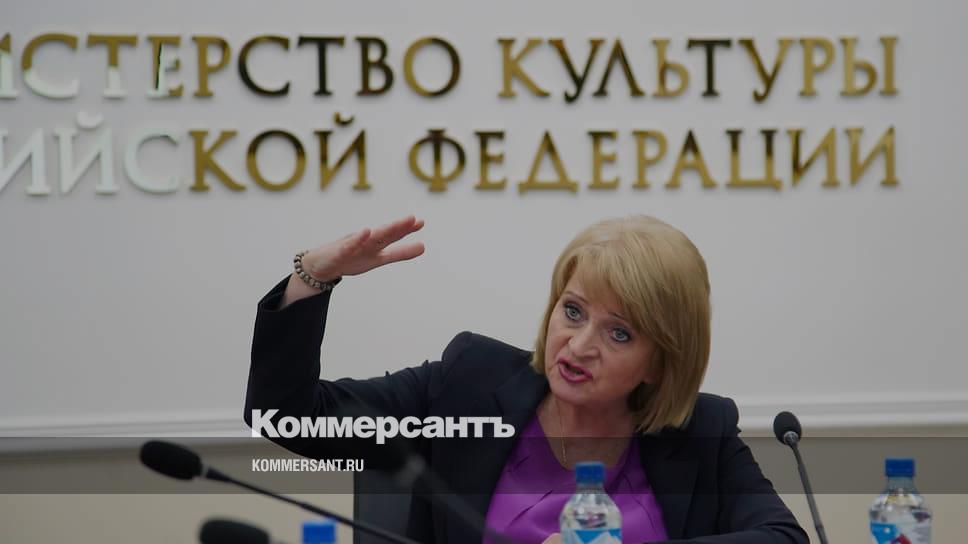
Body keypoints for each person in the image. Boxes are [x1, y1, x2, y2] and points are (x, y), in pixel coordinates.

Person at [244, 215, 808, 544]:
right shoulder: (467, 387)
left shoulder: (701, 430)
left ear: (660, 361)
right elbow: (290, 416)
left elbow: (782, 538)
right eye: (573, 311)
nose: (579, 346)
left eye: (619, 333)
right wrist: (312, 279)